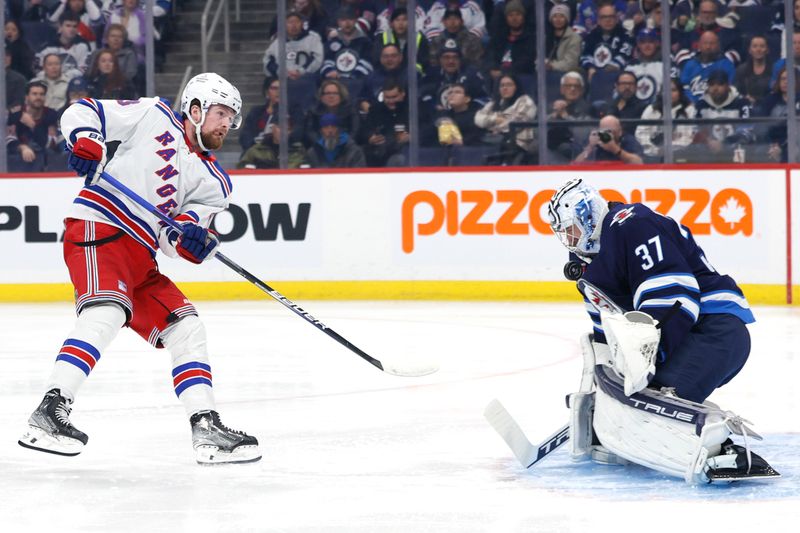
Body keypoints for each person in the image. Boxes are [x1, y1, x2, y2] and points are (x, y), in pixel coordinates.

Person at [18, 72, 261, 465]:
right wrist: (87, 139)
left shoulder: (216, 182)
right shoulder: (153, 114)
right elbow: (82, 111)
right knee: (107, 312)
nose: (226, 124)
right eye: (220, 113)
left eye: (231, 117)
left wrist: (193, 240)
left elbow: (172, 241)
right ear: (195, 110)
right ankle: (49, 411)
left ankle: (205, 427)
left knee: (187, 327)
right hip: (101, 225)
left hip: (141, 254)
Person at [546, 177, 777, 483]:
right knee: (637, 396)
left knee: (651, 399)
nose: (567, 238)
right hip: (683, 333)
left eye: (570, 227)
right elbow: (606, 327)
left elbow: (675, 295)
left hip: (715, 328)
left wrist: (646, 361)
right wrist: (606, 390)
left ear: (588, 216)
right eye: (561, 232)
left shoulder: (631, 225)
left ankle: (726, 451)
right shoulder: (585, 261)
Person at [691, 68, 754, 163]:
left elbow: (747, 132)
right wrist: (708, 141)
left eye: (720, 84)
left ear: (728, 86)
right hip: (708, 153)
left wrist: (724, 144)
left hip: (734, 153)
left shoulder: (741, 103)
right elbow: (695, 130)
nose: (715, 88)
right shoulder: (701, 105)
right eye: (711, 85)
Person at [474, 73, 536, 164]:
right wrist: (496, 119)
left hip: (518, 146)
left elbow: (516, 124)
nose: (505, 88)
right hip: (496, 142)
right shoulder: (495, 102)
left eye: (509, 85)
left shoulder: (525, 101)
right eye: (502, 85)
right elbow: (478, 119)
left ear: (516, 87)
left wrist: (491, 126)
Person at [635, 78, 697, 163]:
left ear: (680, 93)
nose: (669, 93)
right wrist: (655, 150)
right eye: (666, 90)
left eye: (673, 90)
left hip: (679, 154)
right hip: (652, 155)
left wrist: (668, 149)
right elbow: (640, 134)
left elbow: (688, 137)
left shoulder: (689, 110)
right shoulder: (651, 109)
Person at [6, 80, 60, 172]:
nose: (38, 97)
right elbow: (9, 140)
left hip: (44, 160)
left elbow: (51, 143)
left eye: (41, 94)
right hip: (17, 161)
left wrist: (34, 126)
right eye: (34, 94)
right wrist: (22, 147)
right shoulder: (16, 115)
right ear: (27, 97)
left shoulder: (51, 114)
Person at [360, 78, 409, 167]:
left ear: (403, 94)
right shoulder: (376, 109)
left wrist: (411, 136)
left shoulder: (412, 108)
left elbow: (425, 128)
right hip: (379, 153)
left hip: (407, 152)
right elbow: (364, 130)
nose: (390, 101)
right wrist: (370, 137)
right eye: (387, 97)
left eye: (394, 97)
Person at [572, 114, 644, 164]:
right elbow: (575, 165)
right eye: (605, 131)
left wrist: (615, 149)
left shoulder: (627, 140)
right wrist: (590, 147)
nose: (608, 135)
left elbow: (639, 163)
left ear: (620, 132)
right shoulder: (596, 142)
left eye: (611, 132)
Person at [735, 35, 772, 106]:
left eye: (762, 46)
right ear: (749, 50)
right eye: (755, 46)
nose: (758, 49)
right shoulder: (741, 70)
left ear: (767, 50)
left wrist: (757, 100)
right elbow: (736, 91)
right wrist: (745, 99)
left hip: (767, 106)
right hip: (746, 106)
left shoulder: (774, 69)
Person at [545, 4, 581, 74]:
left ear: (567, 19)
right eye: (555, 16)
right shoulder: (544, 36)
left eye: (562, 16)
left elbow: (571, 63)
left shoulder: (574, 38)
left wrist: (551, 66)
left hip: (564, 74)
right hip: (543, 73)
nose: (558, 20)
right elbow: (536, 58)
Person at [609, 70, 647, 136]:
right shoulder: (609, 106)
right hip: (608, 141)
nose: (627, 87)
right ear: (616, 86)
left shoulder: (643, 108)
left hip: (631, 143)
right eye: (623, 83)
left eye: (630, 84)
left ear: (636, 86)